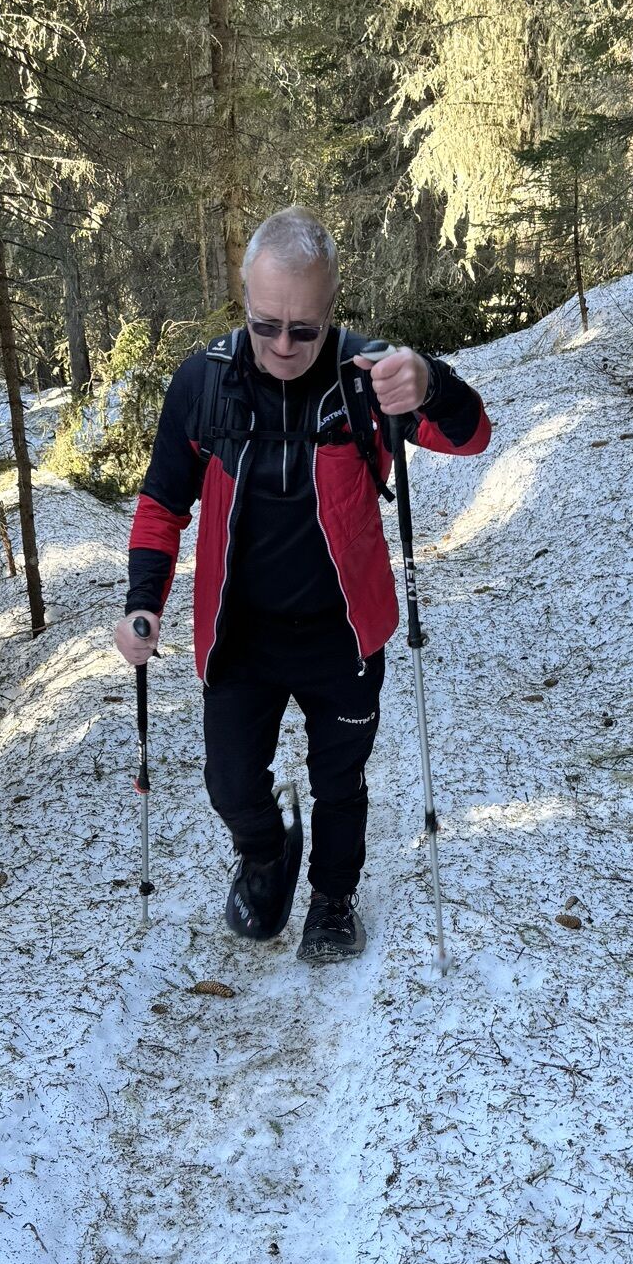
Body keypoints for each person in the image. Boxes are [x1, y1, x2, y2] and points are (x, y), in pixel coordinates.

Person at [114, 206, 490, 963]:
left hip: (342, 633)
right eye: (266, 325)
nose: (283, 345)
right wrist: (142, 604)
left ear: (331, 307)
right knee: (229, 782)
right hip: (241, 635)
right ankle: (266, 853)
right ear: (244, 299)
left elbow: (470, 436)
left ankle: (332, 899)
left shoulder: (369, 381)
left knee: (339, 780)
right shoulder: (204, 384)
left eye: (304, 329)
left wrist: (430, 382)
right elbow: (162, 503)